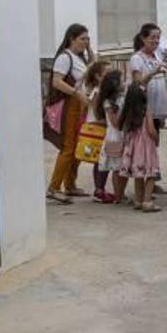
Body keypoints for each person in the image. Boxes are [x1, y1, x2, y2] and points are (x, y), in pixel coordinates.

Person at [47, 24, 93, 203]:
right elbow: (57, 82)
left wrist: (88, 48)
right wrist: (77, 94)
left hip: (80, 105)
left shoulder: (79, 57)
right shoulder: (65, 58)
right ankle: (54, 187)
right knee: (68, 148)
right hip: (69, 106)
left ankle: (70, 185)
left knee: (77, 147)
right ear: (72, 38)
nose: (85, 42)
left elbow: (93, 65)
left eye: (87, 38)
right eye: (82, 39)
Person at [128, 24, 167, 194]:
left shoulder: (157, 54)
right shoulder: (137, 58)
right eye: (152, 37)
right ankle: (144, 184)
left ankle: (152, 181)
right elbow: (138, 82)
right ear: (143, 38)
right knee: (145, 145)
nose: (156, 40)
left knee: (154, 144)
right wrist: (154, 72)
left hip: (159, 106)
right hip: (146, 108)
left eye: (158, 37)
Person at [119, 82, 162, 212]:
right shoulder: (146, 109)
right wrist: (156, 138)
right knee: (151, 173)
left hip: (133, 146)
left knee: (138, 173)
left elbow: (124, 130)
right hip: (146, 145)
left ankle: (138, 199)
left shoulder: (128, 111)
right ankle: (147, 201)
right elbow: (150, 129)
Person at [82, 60, 115, 204]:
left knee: (104, 161)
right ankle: (99, 189)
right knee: (100, 161)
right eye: (107, 73)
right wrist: (104, 122)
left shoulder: (106, 91)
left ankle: (101, 188)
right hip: (98, 127)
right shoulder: (98, 92)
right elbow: (96, 112)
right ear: (98, 76)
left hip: (103, 127)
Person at [95, 70, 125, 204]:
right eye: (122, 80)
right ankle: (118, 196)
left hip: (121, 135)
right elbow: (115, 122)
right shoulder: (109, 102)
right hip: (115, 137)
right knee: (117, 168)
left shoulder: (120, 98)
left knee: (121, 168)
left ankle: (120, 194)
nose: (124, 82)